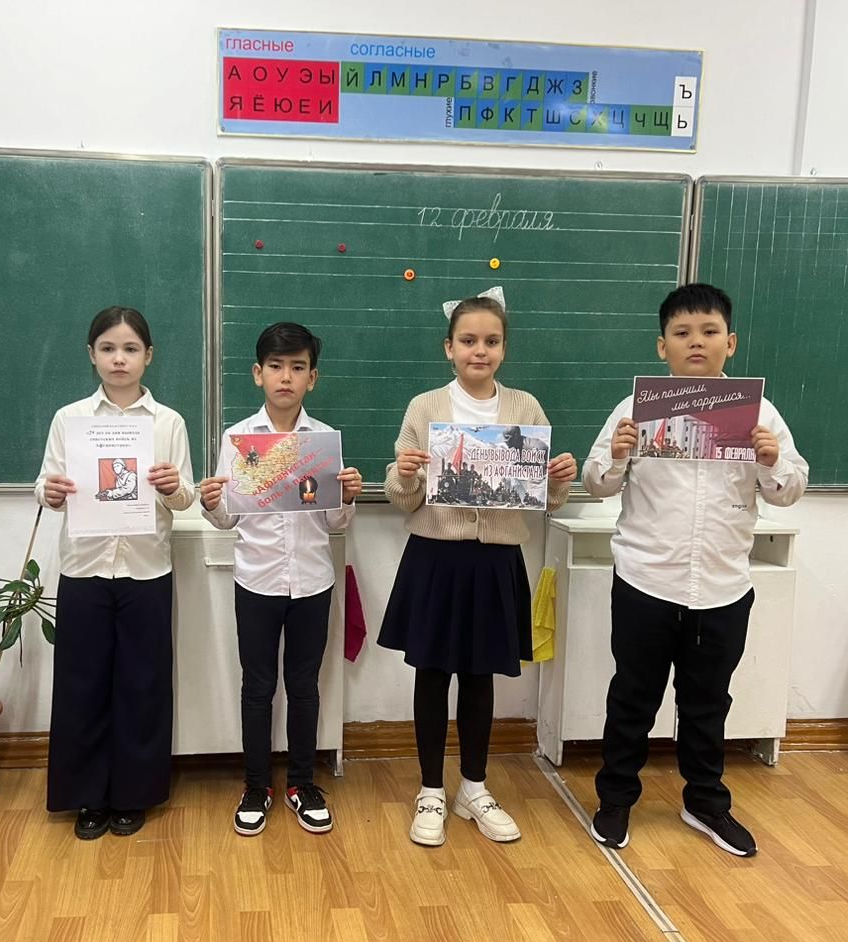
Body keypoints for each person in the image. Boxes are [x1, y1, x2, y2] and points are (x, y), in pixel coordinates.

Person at [582, 283, 809, 857]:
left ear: (730, 342)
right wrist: (617, 454)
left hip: (722, 585)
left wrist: (771, 460)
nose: (696, 342)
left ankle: (705, 802)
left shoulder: (761, 414)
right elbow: (595, 482)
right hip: (645, 580)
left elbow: (789, 490)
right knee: (632, 698)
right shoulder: (634, 409)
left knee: (708, 703)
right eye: (682, 333)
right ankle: (615, 799)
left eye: (709, 331)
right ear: (663, 347)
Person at [379, 286, 576, 847]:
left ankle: (473, 786)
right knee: (431, 673)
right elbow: (401, 497)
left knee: (480, 676)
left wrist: (557, 479)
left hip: (494, 561)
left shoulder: (525, 408)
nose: (479, 351)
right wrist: (405, 474)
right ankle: (430, 790)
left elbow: (544, 497)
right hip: (436, 558)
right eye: (468, 340)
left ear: (504, 348)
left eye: (491, 341)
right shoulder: (425, 407)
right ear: (449, 348)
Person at [35, 305, 195, 840]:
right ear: (92, 355)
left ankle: (133, 794)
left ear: (148, 356)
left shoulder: (168, 422)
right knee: (81, 684)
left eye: (130, 349)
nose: (119, 359)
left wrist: (172, 486)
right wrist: (51, 491)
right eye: (108, 348)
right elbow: (46, 486)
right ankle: (87, 797)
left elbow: (186, 497)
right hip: (84, 570)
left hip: (147, 569)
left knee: (142, 685)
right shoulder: (70, 419)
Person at [200, 322, 363, 836]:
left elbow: (333, 523)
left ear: (312, 377)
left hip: (312, 580)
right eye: (276, 366)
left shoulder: (323, 442)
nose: (285, 377)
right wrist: (212, 503)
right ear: (258, 374)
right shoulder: (239, 441)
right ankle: (256, 785)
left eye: (297, 367)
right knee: (257, 687)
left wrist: (348, 497)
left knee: (304, 686)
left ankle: (301, 783)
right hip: (257, 579)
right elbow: (228, 518)